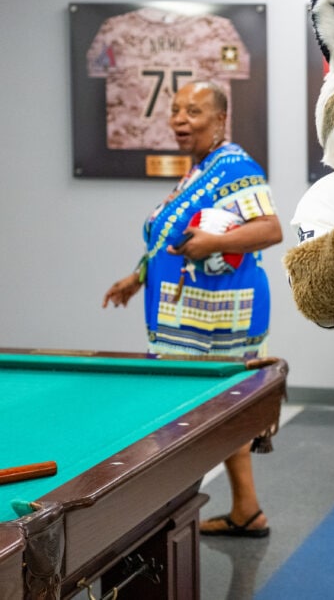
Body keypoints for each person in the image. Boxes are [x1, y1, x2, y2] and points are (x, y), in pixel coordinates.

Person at [103, 80, 283, 538]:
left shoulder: (235, 167)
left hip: (218, 317)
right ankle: (247, 510)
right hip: (191, 313)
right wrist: (137, 277)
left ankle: (166, 524)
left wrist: (216, 243)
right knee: (222, 412)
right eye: (176, 110)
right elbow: (172, 238)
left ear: (220, 119)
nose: (180, 119)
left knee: (182, 418)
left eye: (194, 111)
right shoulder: (200, 170)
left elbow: (270, 229)